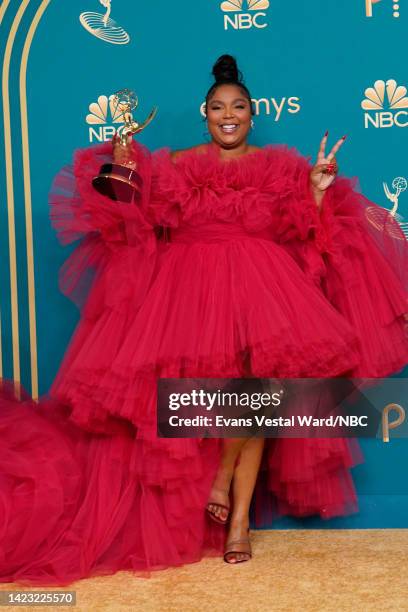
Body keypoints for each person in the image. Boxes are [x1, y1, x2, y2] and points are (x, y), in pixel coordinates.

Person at [0, 53, 407, 584]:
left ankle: (234, 515)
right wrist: (122, 161)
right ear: (205, 113)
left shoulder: (280, 167)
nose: (228, 115)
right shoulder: (174, 165)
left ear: (253, 114)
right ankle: (225, 509)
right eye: (219, 107)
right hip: (192, 293)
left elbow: (302, 229)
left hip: (263, 288)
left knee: (262, 393)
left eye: (238, 106)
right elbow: (133, 216)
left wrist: (315, 191)